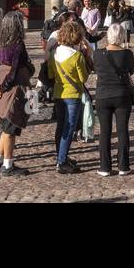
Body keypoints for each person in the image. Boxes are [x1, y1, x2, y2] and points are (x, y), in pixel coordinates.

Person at [0, 11, 34, 176]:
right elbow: (14, 72)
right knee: (10, 128)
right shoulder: (18, 44)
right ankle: (8, 165)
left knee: (4, 123)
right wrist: (2, 88)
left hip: (2, 83)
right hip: (13, 87)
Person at [92, 21, 134, 176]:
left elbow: (95, 69)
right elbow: (131, 71)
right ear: (122, 37)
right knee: (122, 131)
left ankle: (104, 167)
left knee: (105, 132)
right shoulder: (127, 53)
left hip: (103, 96)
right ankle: (123, 166)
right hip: (122, 95)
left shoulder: (98, 53)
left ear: (108, 36)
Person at [48, 19, 91, 174]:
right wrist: (87, 57)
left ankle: (61, 155)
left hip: (58, 93)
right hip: (73, 95)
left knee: (60, 126)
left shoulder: (54, 53)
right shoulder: (77, 56)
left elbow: (51, 74)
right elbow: (83, 78)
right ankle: (62, 161)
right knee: (69, 128)